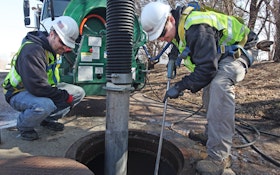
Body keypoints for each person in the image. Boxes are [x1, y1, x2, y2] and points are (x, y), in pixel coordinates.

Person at [140, 1, 258, 175]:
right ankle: (212, 135)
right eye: (158, 37)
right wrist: (173, 57)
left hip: (240, 49)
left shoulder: (197, 27)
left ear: (171, 19)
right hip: (220, 53)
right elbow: (182, 45)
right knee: (210, 85)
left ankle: (219, 157)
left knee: (219, 85)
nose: (162, 39)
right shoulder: (179, 28)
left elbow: (207, 69)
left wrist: (180, 86)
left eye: (162, 33)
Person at [2, 16, 85, 141]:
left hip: (41, 88)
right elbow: (38, 87)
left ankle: (47, 120)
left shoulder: (51, 49)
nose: (65, 48)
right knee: (45, 105)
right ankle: (24, 126)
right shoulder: (32, 51)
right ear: (52, 34)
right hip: (18, 92)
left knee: (78, 92)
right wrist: (63, 96)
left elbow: (46, 83)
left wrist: (63, 94)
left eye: (67, 45)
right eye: (62, 42)